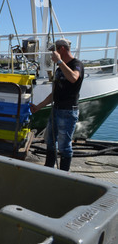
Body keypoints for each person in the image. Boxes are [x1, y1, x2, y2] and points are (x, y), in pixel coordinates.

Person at [30, 38, 84, 171]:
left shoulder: (76, 64)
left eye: (55, 50)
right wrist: (38, 106)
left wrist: (59, 61)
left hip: (68, 111)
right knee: (50, 141)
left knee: (64, 145)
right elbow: (54, 94)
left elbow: (73, 78)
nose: (53, 54)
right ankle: (49, 169)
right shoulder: (59, 69)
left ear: (62, 49)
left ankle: (63, 174)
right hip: (56, 109)